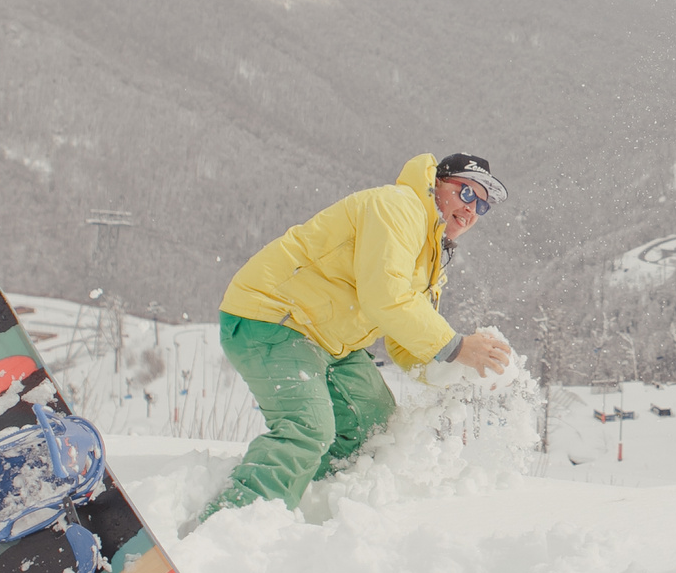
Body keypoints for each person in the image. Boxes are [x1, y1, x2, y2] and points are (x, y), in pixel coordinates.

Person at [203, 152, 516, 517]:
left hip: (330, 340)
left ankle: (310, 501)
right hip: (274, 317)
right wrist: (458, 347)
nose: (472, 210)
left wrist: (454, 372)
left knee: (375, 423)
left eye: (483, 205)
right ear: (438, 183)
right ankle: (232, 523)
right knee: (309, 428)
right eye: (466, 193)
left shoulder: (431, 256)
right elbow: (386, 297)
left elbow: (403, 340)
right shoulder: (399, 207)